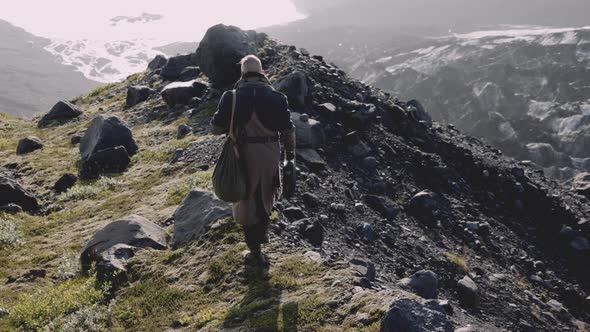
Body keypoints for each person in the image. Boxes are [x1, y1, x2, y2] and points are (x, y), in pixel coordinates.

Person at [210, 55, 296, 265]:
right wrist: (290, 158)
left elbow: (215, 128)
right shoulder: (278, 98)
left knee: (245, 199)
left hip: (242, 155)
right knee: (266, 195)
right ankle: (261, 237)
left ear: (243, 74)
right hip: (269, 154)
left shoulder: (231, 97)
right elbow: (288, 132)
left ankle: (254, 250)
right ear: (262, 73)